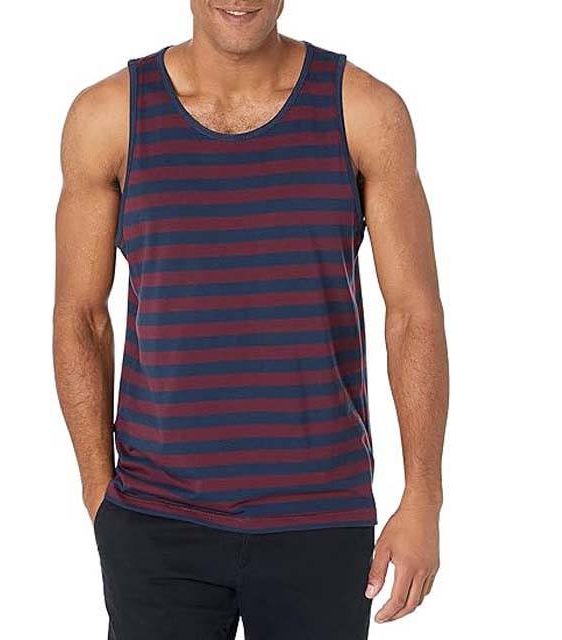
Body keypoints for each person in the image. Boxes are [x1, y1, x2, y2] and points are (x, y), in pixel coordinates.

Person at [53, 2, 448, 638]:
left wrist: (423, 497)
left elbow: (412, 315)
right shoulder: (108, 117)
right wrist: (100, 494)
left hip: (321, 518)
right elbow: (81, 316)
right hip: (156, 518)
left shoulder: (364, 111)